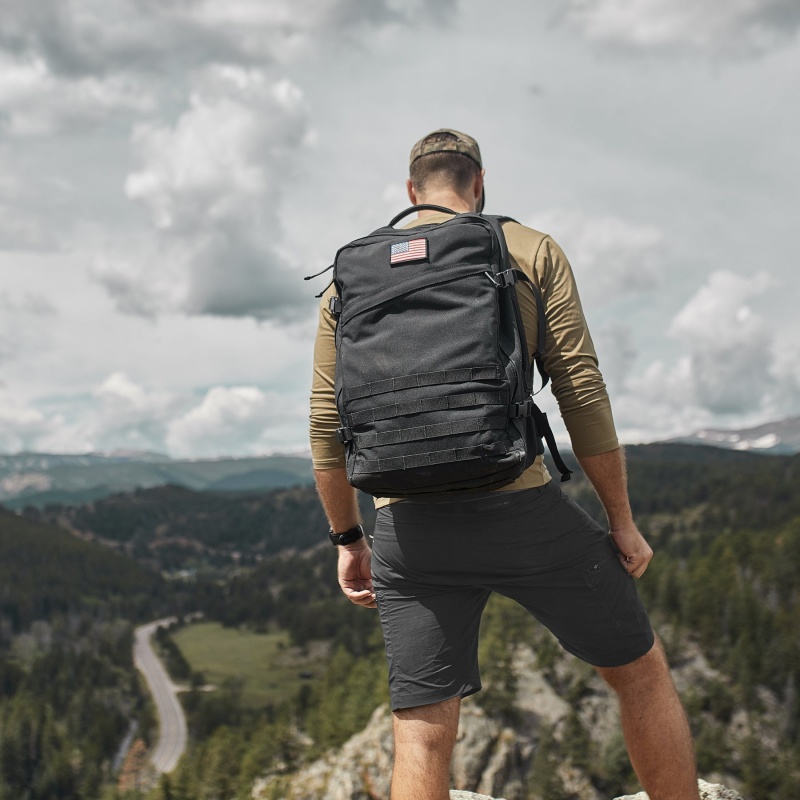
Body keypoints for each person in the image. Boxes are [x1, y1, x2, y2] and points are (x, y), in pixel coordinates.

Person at [309, 128, 699, 800]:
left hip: (408, 529)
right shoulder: (526, 248)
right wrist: (622, 522)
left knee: (423, 730)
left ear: (411, 191)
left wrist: (349, 540)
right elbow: (580, 387)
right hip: (523, 513)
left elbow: (325, 424)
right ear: (479, 183)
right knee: (639, 671)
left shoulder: (351, 279)